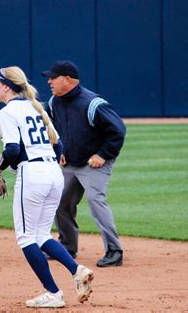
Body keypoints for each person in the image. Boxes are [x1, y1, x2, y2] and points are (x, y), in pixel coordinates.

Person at [0, 66, 94, 308]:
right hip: (54, 174)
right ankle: (77, 270)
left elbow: (11, 150)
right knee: (42, 234)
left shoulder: (8, 112)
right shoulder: (36, 106)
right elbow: (58, 147)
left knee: (25, 238)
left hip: (32, 176)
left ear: (6, 86)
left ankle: (53, 293)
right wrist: (17, 164)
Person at [41, 60, 126, 267]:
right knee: (61, 202)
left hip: (94, 163)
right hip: (70, 162)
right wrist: (58, 151)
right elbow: (52, 129)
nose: (49, 81)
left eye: (54, 77)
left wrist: (103, 154)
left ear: (68, 79)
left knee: (96, 201)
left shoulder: (93, 103)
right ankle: (68, 247)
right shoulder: (54, 102)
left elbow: (118, 131)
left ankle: (114, 251)